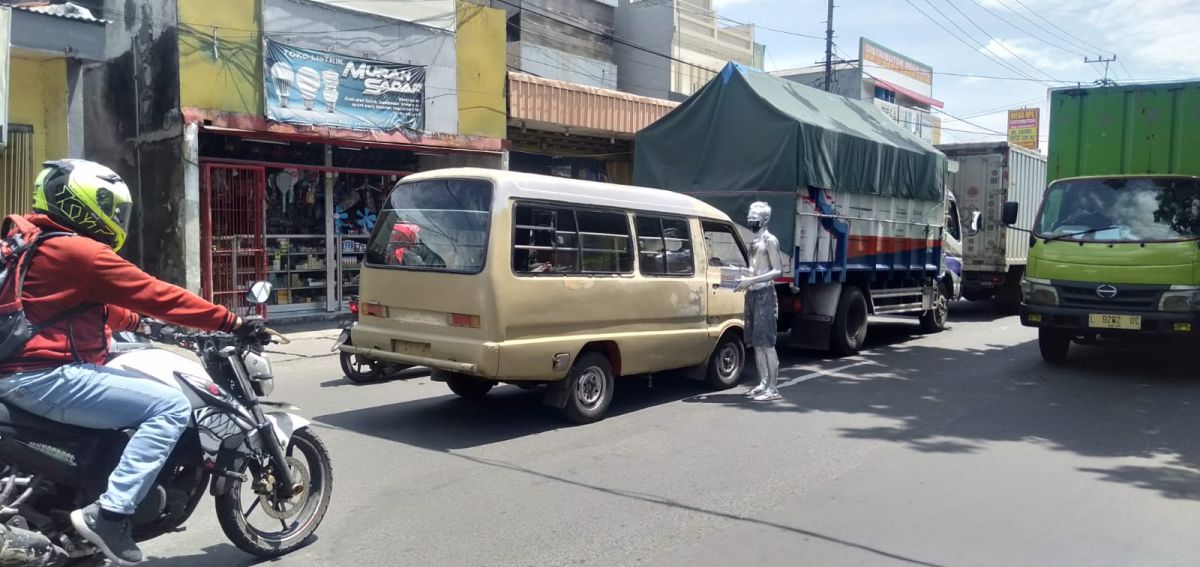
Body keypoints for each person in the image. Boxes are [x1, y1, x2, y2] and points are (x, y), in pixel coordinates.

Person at [0, 160, 250, 565]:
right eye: (111, 208)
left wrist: (141, 324)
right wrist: (230, 321)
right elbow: (156, 294)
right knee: (169, 406)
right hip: (44, 376)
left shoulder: (33, 245)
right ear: (83, 203)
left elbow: (79, 307)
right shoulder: (81, 252)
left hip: (21, 373)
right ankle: (111, 515)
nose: (117, 218)